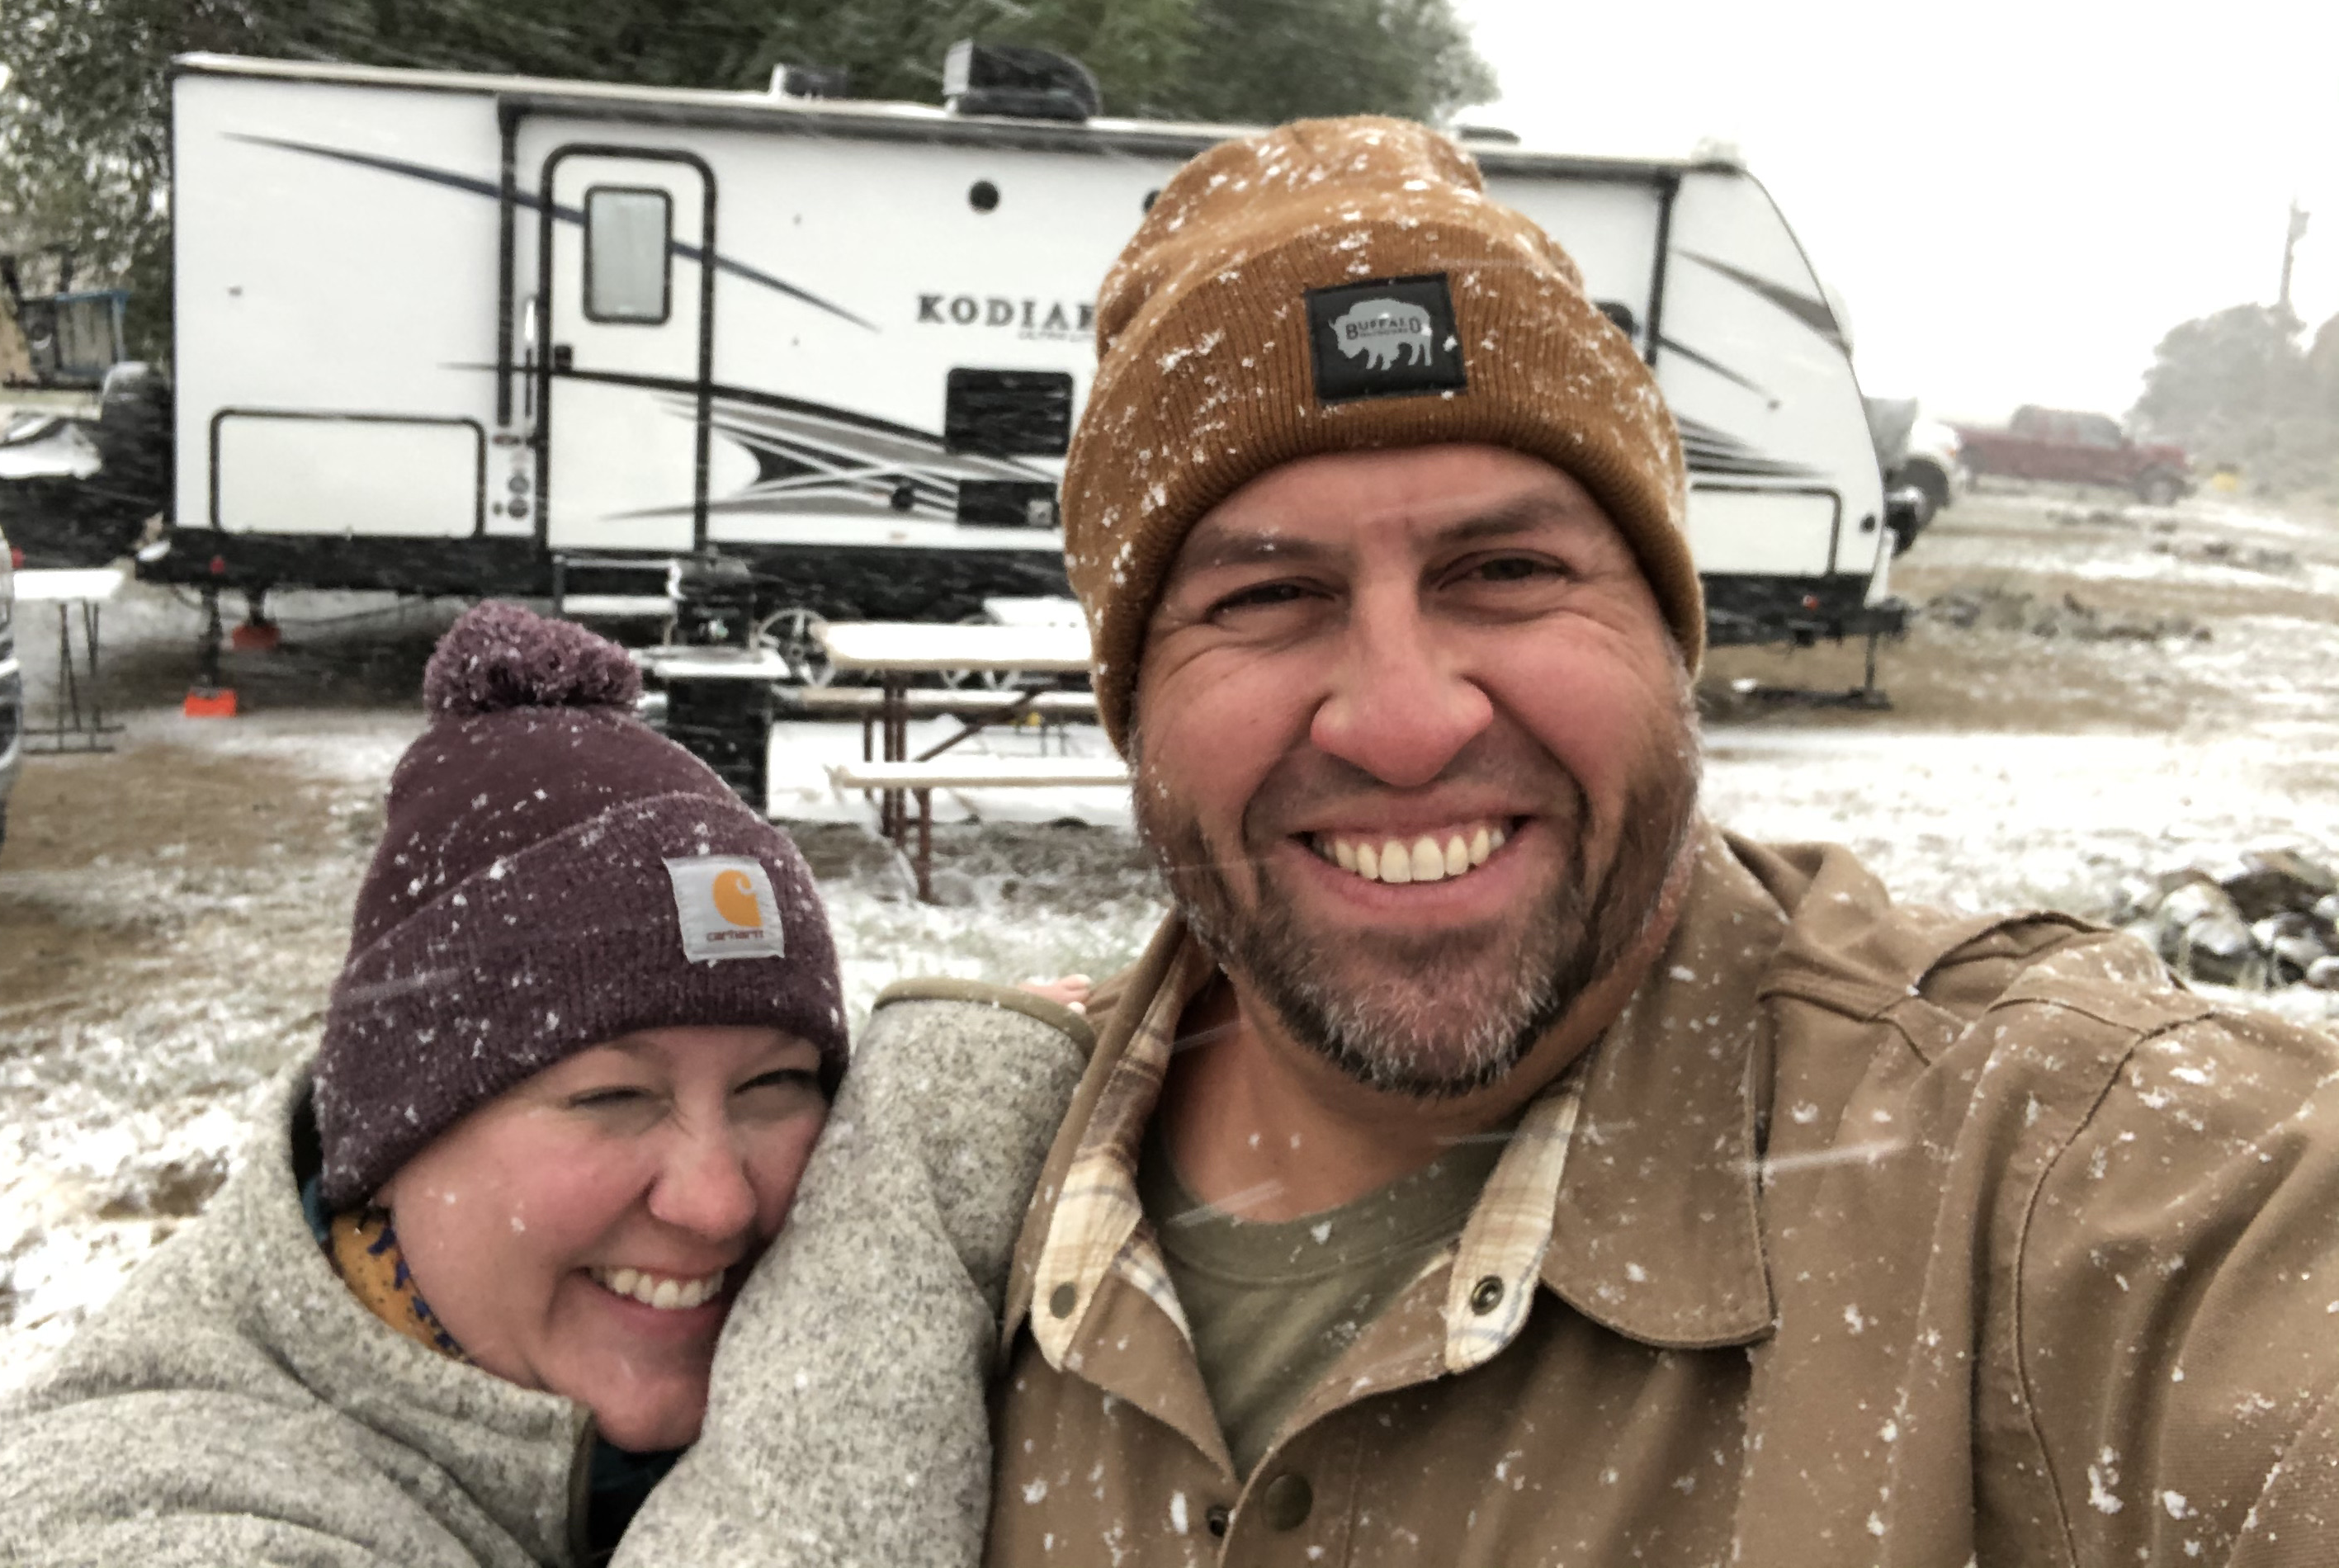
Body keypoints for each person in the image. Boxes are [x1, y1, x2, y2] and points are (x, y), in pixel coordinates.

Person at [979, 116, 2339, 1566]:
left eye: (1506, 572)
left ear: (1668, 639)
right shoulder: (927, 1211)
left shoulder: (2052, 1177)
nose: (1403, 721)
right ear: (1133, 699)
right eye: (1263, 597)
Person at [0, 602, 1091, 1568]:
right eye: (612, 1097)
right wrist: (931, 1167)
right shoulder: (130, 1505)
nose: (718, 1202)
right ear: (390, 1139)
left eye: (776, 1086)